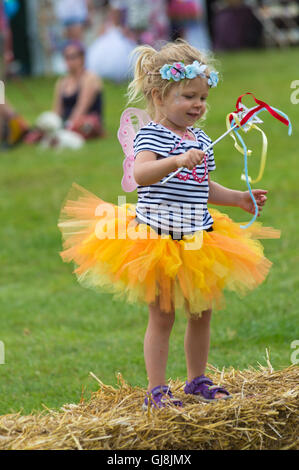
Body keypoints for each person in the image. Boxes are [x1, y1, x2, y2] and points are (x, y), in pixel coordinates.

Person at [57, 39, 281, 409]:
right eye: (188, 96)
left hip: (198, 237)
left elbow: (202, 185)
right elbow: (142, 173)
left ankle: (197, 379)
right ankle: (157, 391)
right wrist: (176, 161)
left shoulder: (201, 140)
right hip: (159, 239)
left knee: (201, 312)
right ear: (159, 97)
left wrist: (237, 198)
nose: (198, 105)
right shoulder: (153, 135)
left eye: (203, 98)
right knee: (162, 316)